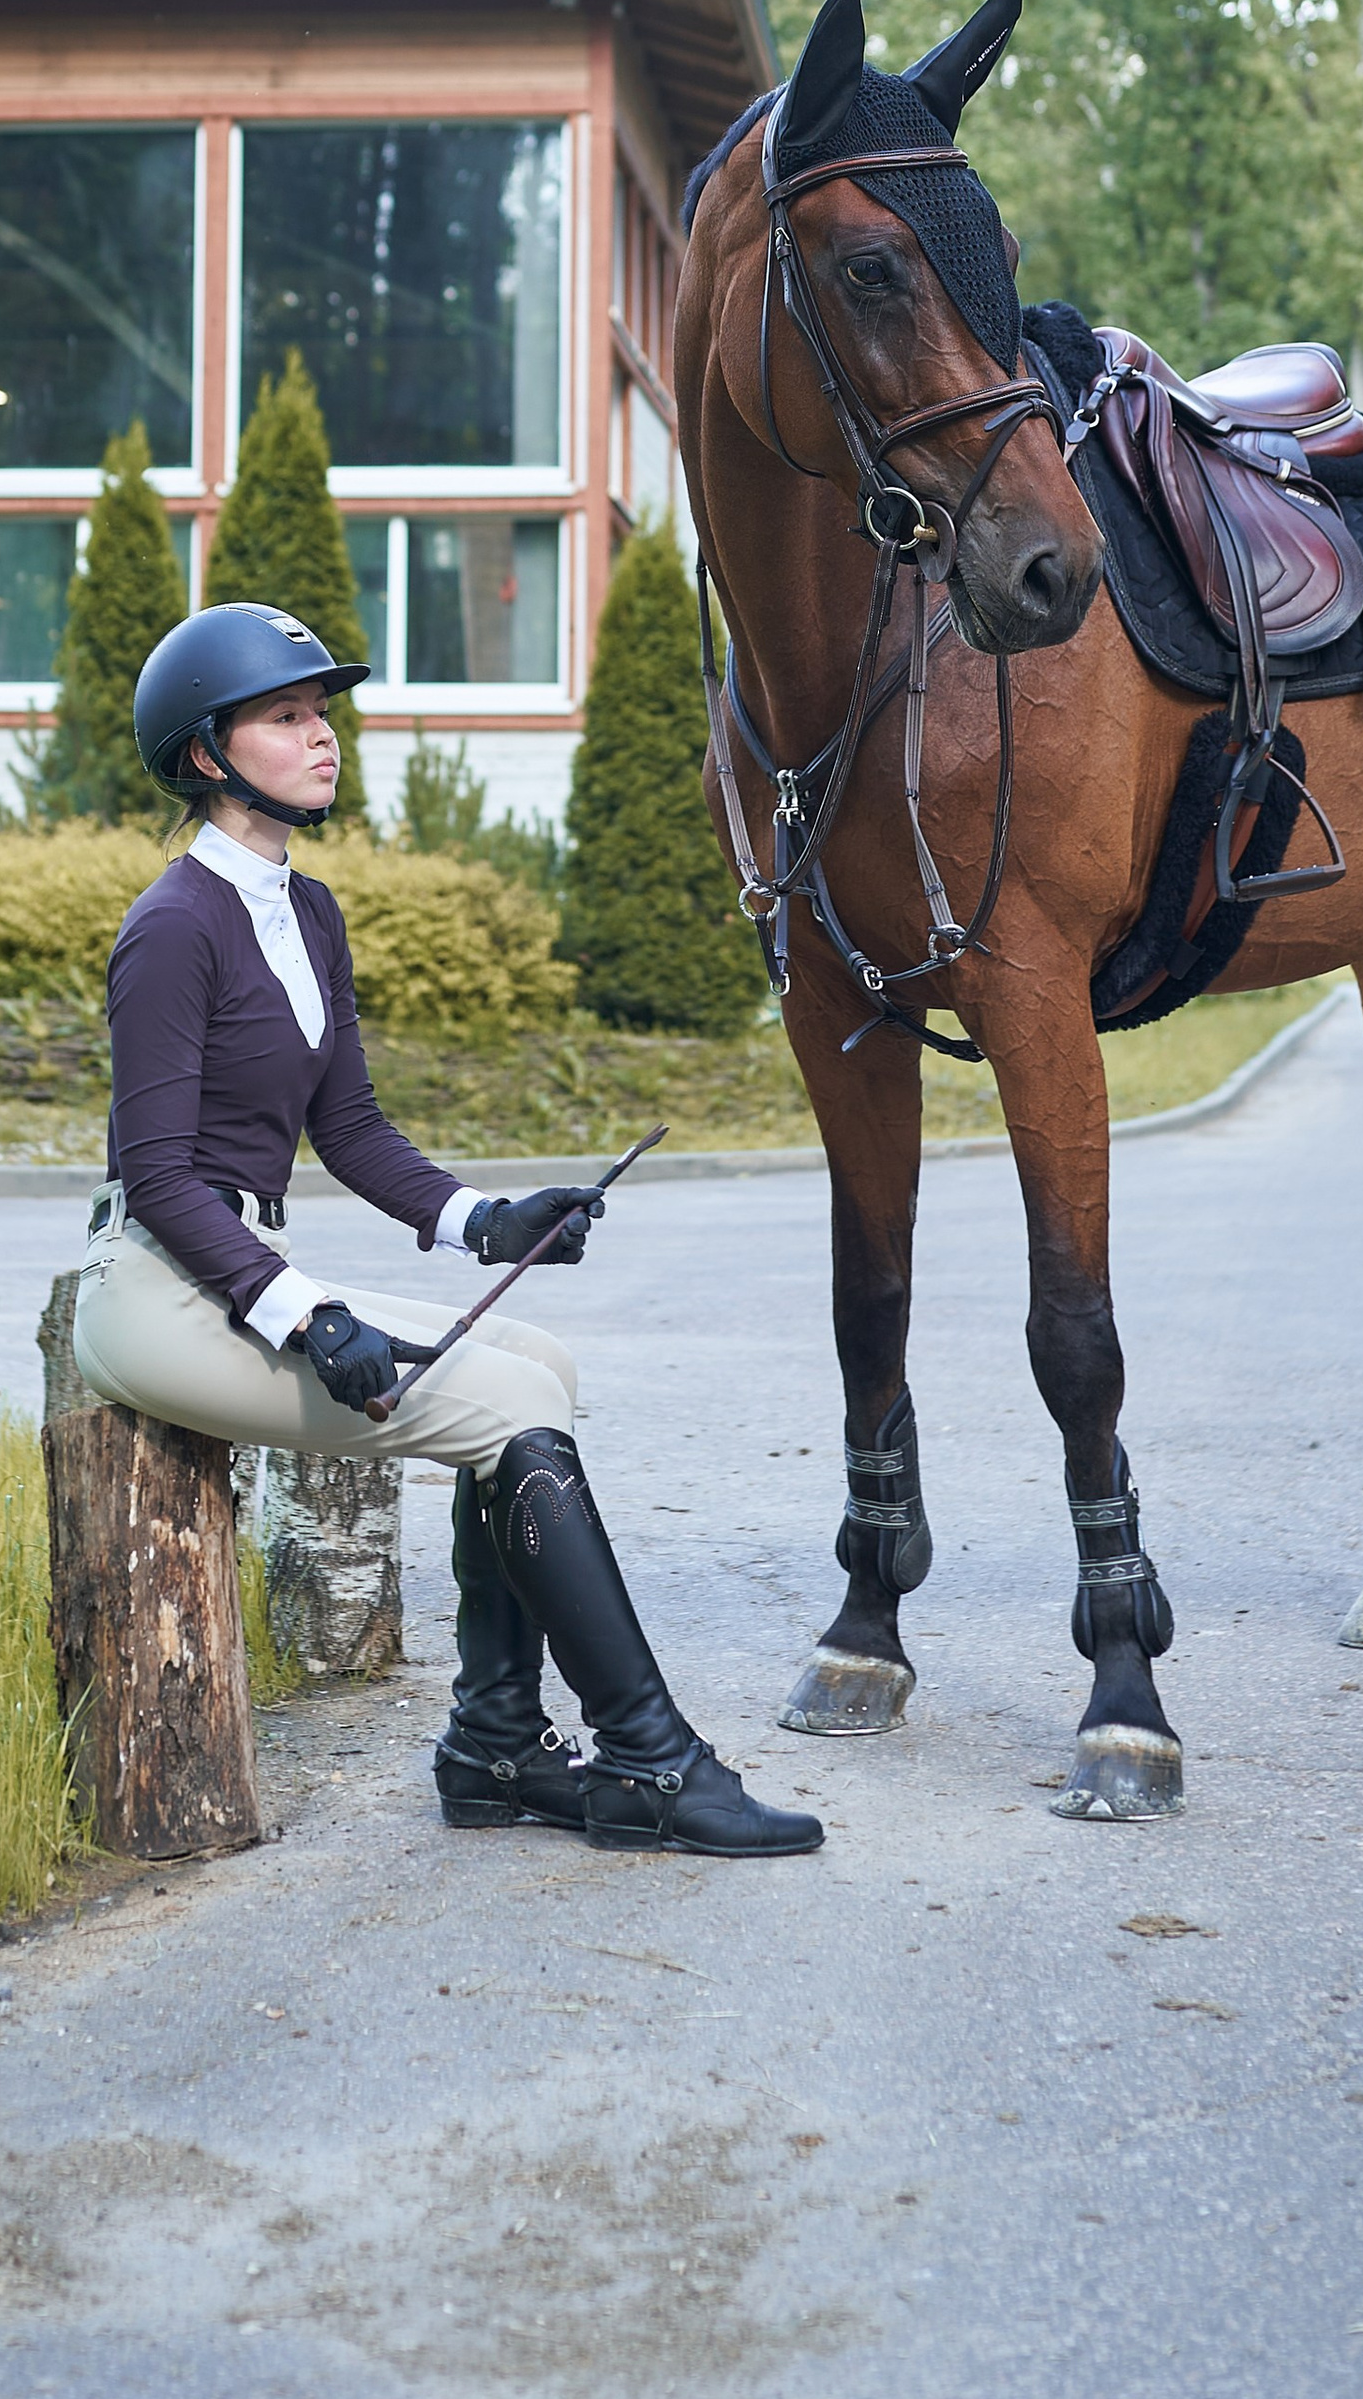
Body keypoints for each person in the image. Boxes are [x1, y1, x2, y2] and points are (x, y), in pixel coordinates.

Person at [69, 599, 820, 1863]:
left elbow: (349, 1126)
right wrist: (304, 1314)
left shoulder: (307, 916)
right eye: (287, 716)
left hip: (234, 1271)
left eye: (324, 714)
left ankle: (495, 1741)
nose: (323, 737)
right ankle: (651, 1759)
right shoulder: (170, 929)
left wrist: (487, 1220)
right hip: (157, 1296)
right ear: (208, 753)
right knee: (504, 1416)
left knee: (546, 1375)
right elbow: (155, 1175)